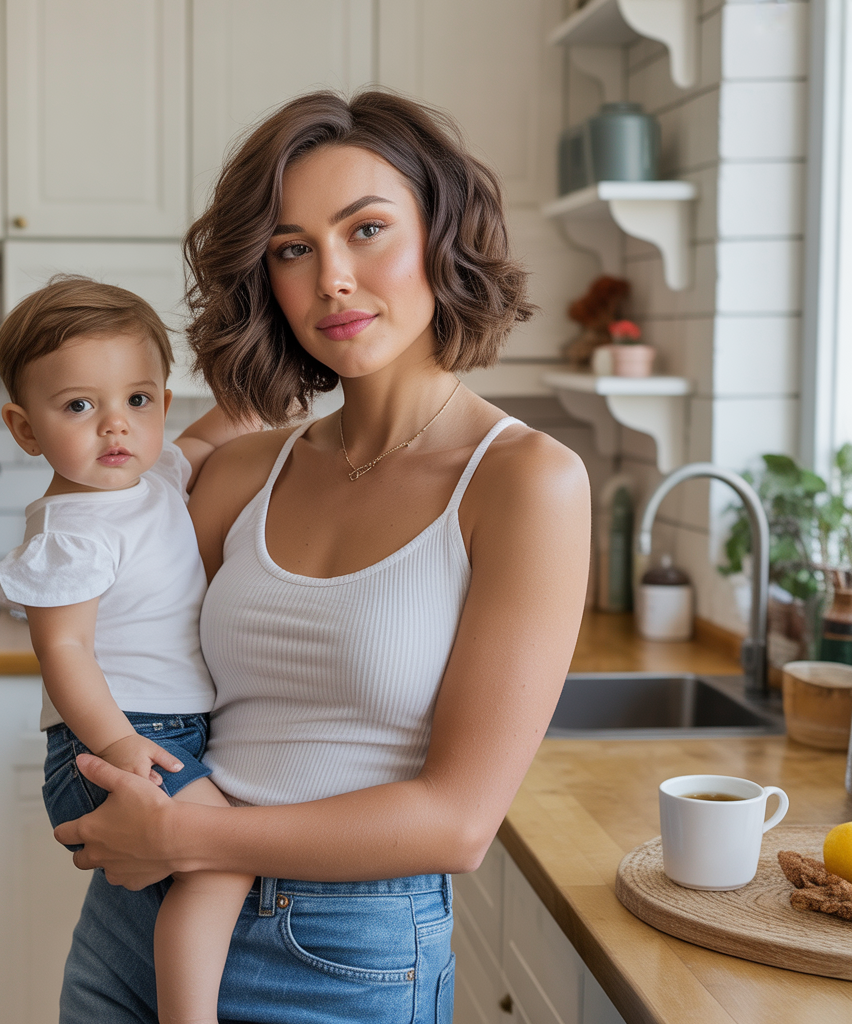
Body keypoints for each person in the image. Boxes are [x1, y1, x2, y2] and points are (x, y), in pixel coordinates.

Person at [54, 90, 591, 1024]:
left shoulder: (523, 483)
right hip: (134, 927)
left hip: (338, 955)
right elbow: (98, 589)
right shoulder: (239, 477)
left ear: (442, 236)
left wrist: (182, 835)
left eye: (368, 229)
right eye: (293, 249)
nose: (332, 279)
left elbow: (458, 824)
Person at [0, 276, 256, 1024]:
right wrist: (119, 742)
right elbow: (65, 650)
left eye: (137, 401)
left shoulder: (153, 475)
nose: (116, 427)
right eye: (80, 406)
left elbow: (206, 439)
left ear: (162, 407)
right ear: (25, 428)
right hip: (113, 737)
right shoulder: (72, 530)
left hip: (163, 731)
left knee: (209, 864)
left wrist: (264, 383)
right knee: (224, 857)